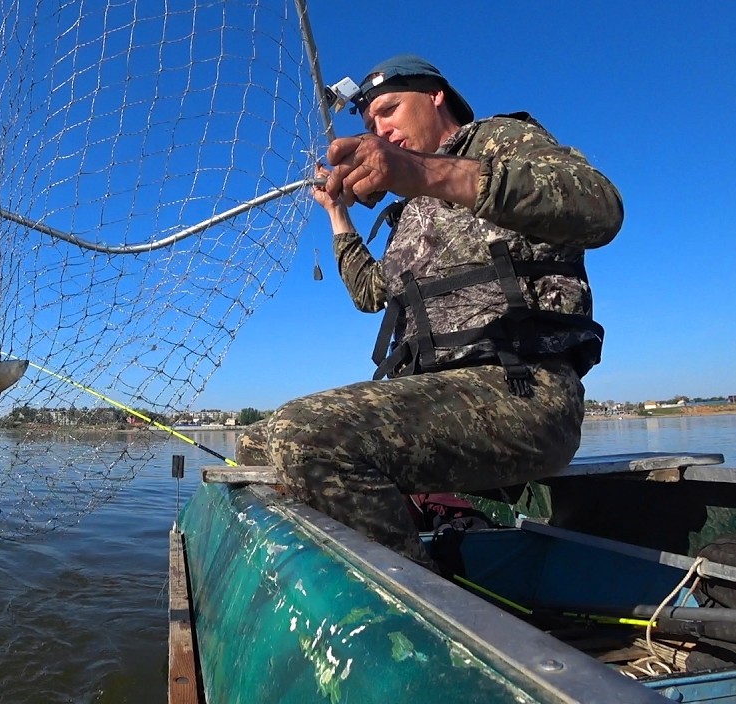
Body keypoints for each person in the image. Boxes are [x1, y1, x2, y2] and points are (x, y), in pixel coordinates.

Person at [237, 54, 623, 570]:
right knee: (255, 446)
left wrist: (420, 171)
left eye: (389, 109)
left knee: (304, 435)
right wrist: (338, 216)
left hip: (526, 392)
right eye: (371, 122)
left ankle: (412, 609)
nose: (379, 128)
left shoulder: (499, 141)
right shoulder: (409, 208)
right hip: (434, 400)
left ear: (435, 95)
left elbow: (600, 208)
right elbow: (372, 292)